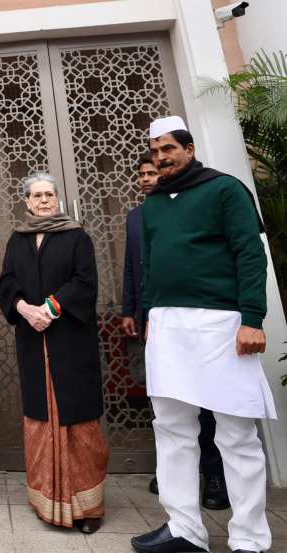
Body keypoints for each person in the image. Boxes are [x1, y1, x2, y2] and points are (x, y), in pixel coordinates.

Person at [131, 116, 276, 553]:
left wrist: (253, 317)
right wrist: (152, 313)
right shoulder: (153, 204)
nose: (161, 158)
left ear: (189, 149)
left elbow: (251, 254)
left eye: (168, 149)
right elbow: (152, 263)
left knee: (234, 432)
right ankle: (184, 529)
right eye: (155, 152)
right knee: (172, 426)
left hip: (222, 323)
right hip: (168, 326)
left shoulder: (226, 189)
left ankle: (249, 538)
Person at [0, 172, 109, 534]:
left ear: (57, 198)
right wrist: (25, 309)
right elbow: (7, 281)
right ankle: (47, 501)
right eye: (37, 195)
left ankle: (88, 509)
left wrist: (51, 308)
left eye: (49, 194)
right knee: (40, 420)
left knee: (79, 422)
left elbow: (85, 281)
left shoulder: (76, 236)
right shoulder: (18, 239)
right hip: (33, 341)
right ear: (26, 201)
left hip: (71, 343)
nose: (44, 200)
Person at [122, 152, 229, 509]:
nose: (148, 178)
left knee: (205, 402)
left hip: (196, 321)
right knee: (167, 403)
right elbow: (133, 270)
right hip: (153, 323)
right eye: (142, 174)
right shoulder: (137, 217)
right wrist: (130, 311)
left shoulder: (191, 207)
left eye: (153, 171)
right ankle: (175, 475)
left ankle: (213, 475)